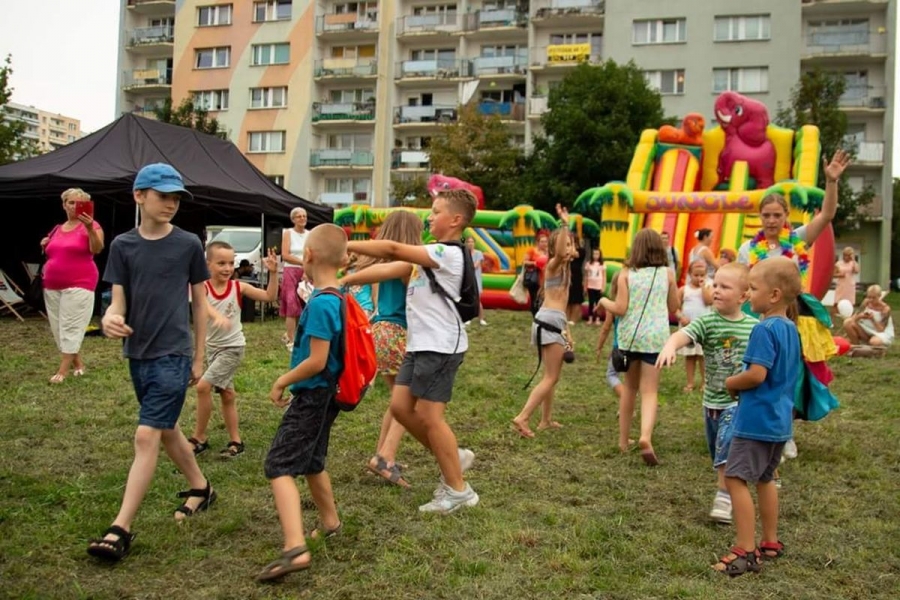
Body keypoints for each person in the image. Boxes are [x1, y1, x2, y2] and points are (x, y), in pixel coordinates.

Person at [87, 163, 216, 562]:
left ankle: (120, 528)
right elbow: (118, 301)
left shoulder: (188, 244)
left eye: (176, 198)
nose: (171, 204)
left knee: (147, 435)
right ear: (139, 196)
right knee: (166, 427)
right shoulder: (123, 246)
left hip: (174, 353)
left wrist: (199, 356)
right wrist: (110, 318)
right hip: (137, 353)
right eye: (164, 196)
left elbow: (200, 304)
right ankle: (201, 488)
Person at [346, 189, 479, 514]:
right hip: (419, 345)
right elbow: (387, 268)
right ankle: (452, 456)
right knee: (401, 407)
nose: (429, 217)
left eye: (435, 211)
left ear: (456, 220)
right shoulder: (427, 257)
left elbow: (391, 248)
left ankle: (458, 491)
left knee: (430, 417)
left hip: (441, 346)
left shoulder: (447, 253)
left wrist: (345, 244)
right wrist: (344, 281)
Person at [256, 224, 349, 582]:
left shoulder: (323, 303)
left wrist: (282, 380)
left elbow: (317, 360)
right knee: (312, 460)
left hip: (313, 393)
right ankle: (331, 524)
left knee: (279, 465)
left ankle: (294, 547)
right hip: (327, 393)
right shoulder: (338, 296)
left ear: (307, 255)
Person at [713, 256, 802, 576]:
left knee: (735, 478)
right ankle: (770, 541)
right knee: (766, 478)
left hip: (756, 422)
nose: (748, 294)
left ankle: (745, 551)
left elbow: (757, 375)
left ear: (774, 295)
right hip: (779, 423)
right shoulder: (790, 328)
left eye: (752, 288)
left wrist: (731, 383)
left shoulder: (764, 329)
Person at [656, 263, 758, 525]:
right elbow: (682, 335)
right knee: (718, 452)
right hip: (711, 402)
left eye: (725, 287)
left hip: (739, 403)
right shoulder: (707, 322)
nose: (716, 290)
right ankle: (736, 482)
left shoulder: (755, 327)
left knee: (727, 448)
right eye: (715, 285)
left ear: (743, 296)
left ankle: (724, 498)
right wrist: (670, 346)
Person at [339, 210, 424, 488]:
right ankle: (385, 458)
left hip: (380, 332)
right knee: (409, 402)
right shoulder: (409, 265)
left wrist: (348, 278)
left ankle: (381, 454)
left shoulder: (385, 263)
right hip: (398, 334)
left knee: (398, 401)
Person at [187, 241, 279, 459]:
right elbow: (202, 305)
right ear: (207, 264)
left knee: (203, 387)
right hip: (213, 349)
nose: (228, 268)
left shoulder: (239, 287)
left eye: (231, 263)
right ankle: (236, 441)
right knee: (227, 395)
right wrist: (215, 315)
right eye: (221, 263)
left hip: (233, 348)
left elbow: (269, 297)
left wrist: (274, 274)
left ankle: (199, 438)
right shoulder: (202, 287)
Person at [599, 228, 679, 464]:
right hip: (655, 339)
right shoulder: (667, 274)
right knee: (650, 391)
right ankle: (645, 436)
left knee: (630, 389)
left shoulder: (626, 274)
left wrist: (603, 301)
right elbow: (673, 307)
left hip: (630, 339)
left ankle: (623, 441)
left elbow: (620, 308)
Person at [512, 212, 576, 438]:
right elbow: (559, 253)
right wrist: (565, 225)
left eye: (571, 244)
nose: (569, 248)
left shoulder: (565, 269)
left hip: (553, 322)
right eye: (565, 244)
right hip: (548, 322)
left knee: (551, 375)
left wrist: (567, 332)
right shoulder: (553, 265)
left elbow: (563, 308)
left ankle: (546, 420)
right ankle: (523, 417)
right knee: (551, 377)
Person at [737, 150, 851, 268]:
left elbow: (826, 215)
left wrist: (831, 181)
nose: (771, 221)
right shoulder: (746, 249)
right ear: (760, 215)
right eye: (766, 215)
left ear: (786, 214)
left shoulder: (797, 239)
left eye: (777, 215)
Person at [40, 188, 105, 383]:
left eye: (79, 203)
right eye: (71, 202)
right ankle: (78, 364)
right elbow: (53, 253)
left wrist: (89, 228)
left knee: (71, 325)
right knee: (58, 327)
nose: (75, 206)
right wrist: (44, 245)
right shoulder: (57, 229)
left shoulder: (92, 225)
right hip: (52, 283)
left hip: (80, 282)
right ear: (64, 205)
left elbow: (97, 249)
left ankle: (62, 371)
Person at [674, 260, 713, 392]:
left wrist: (703, 288)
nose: (699, 278)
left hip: (704, 328)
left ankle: (705, 382)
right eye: (696, 275)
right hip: (689, 328)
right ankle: (690, 382)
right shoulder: (683, 290)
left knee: (703, 356)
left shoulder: (708, 288)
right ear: (689, 274)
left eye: (702, 275)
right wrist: (681, 317)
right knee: (690, 356)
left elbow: (708, 302)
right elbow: (675, 307)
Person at [280, 207, 309, 350]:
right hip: (291, 270)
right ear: (293, 219)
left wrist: (307, 268)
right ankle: (291, 340)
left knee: (304, 303)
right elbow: (285, 255)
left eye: (304, 216)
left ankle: (294, 335)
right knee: (291, 303)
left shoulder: (310, 234)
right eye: (299, 216)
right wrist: (302, 262)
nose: (302, 218)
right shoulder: (288, 233)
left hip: (306, 271)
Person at [522, 233, 549, 316]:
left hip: (546, 278)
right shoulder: (532, 251)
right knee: (535, 297)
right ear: (538, 242)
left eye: (546, 241)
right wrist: (535, 263)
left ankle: (543, 314)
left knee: (544, 297)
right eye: (542, 242)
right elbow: (524, 262)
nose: (544, 244)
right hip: (534, 278)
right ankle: (535, 314)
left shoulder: (549, 252)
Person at [465, 236, 487, 326]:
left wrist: (467, 266)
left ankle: (481, 318)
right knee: (468, 300)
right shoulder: (465, 253)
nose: (470, 244)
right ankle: (468, 318)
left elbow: (475, 266)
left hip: (476, 279)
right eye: (468, 242)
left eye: (472, 242)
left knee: (477, 300)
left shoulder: (478, 253)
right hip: (467, 279)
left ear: (474, 243)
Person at [566, 230, 586, 325]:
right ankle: (566, 318)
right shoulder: (566, 250)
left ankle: (573, 319)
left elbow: (574, 254)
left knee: (576, 299)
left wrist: (571, 245)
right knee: (568, 298)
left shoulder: (581, 251)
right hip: (567, 276)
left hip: (577, 277)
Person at [832, 246, 859, 313]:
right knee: (837, 301)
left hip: (850, 286)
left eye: (848, 255)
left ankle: (849, 314)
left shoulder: (853, 263)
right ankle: (835, 314)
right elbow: (832, 274)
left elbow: (856, 271)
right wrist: (840, 275)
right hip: (841, 285)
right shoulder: (838, 263)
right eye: (844, 255)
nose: (845, 257)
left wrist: (853, 260)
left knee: (850, 302)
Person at [585, 249, 606, 325]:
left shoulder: (602, 265)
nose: (595, 256)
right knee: (591, 302)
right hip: (590, 286)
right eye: (594, 254)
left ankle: (597, 318)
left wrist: (603, 286)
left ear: (600, 255)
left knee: (598, 303)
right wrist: (585, 286)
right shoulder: (588, 264)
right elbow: (586, 276)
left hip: (598, 287)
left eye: (597, 254)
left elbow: (604, 276)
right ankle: (590, 318)